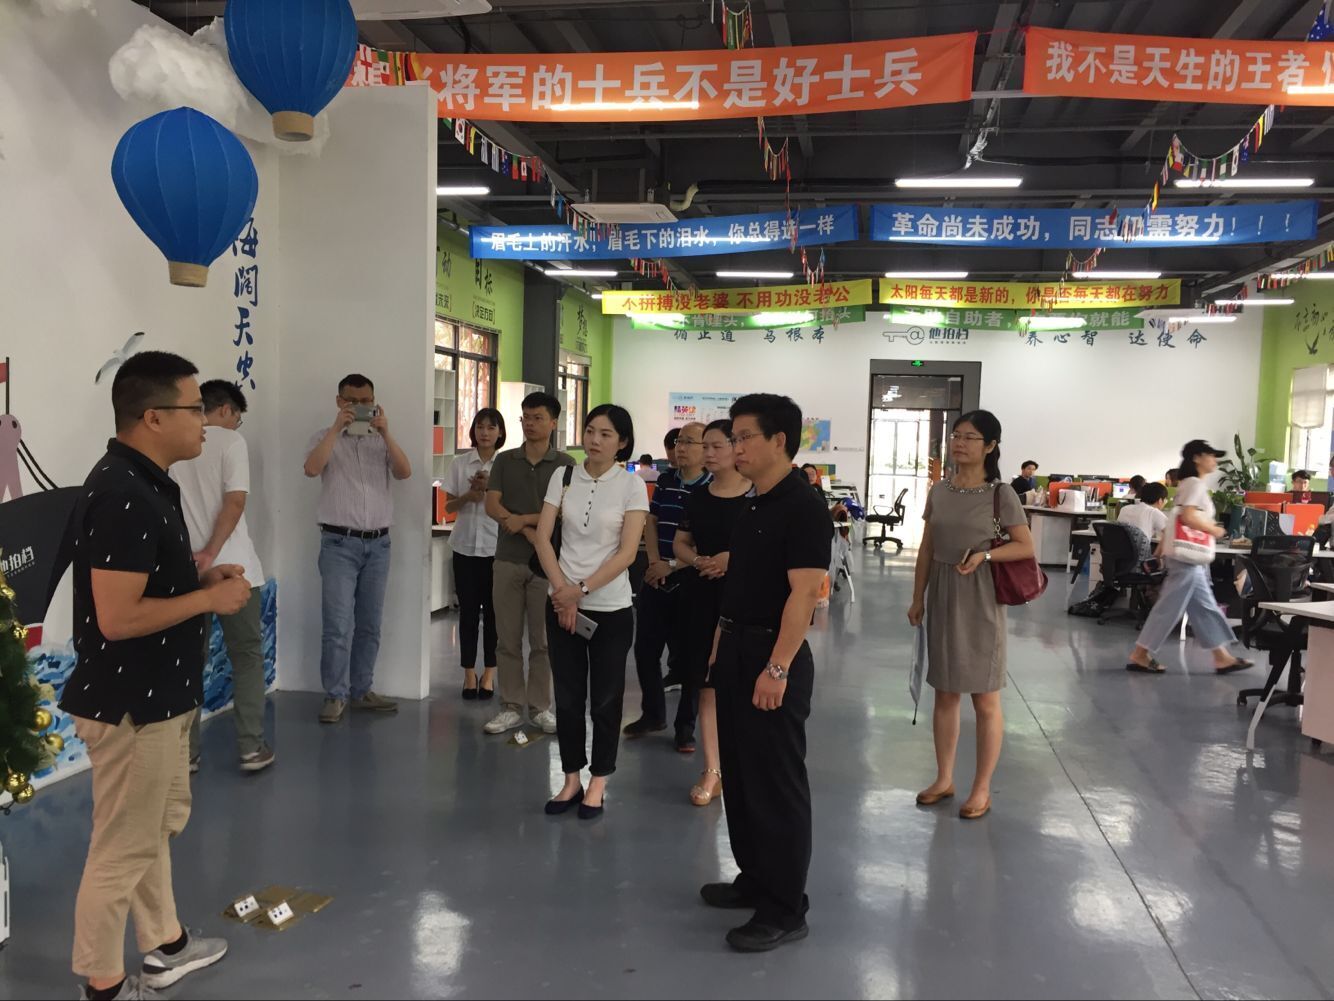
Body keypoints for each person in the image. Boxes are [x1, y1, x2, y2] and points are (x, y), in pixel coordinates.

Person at [62, 351, 249, 1000]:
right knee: (122, 847)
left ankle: (166, 943)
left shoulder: (148, 482)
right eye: (195, 409)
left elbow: (145, 582)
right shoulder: (123, 493)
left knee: (149, 830)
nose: (207, 422)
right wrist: (207, 600)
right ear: (153, 417)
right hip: (131, 706)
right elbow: (117, 618)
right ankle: (104, 985)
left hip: (158, 697)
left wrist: (200, 578)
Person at [698, 394, 830, 954]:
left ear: (779, 441)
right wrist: (718, 649)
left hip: (772, 657)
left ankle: (785, 907)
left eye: (744, 436)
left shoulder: (803, 506)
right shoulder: (754, 504)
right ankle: (754, 878)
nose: (736, 446)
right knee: (742, 775)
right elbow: (739, 588)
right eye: (734, 437)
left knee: (775, 784)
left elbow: (804, 595)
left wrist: (777, 667)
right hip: (735, 648)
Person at [907, 411, 1035, 822]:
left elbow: (1025, 546)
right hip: (943, 591)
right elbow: (927, 547)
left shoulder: (1001, 494)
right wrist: (918, 597)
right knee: (945, 691)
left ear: (990, 446)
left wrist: (985, 556)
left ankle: (981, 788)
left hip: (980, 595)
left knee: (984, 696)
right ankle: (944, 778)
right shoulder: (940, 490)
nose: (959, 443)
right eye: (956, 436)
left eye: (970, 437)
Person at [534, 405, 649, 819]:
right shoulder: (563, 476)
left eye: (606, 434)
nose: (595, 440)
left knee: (605, 699)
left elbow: (627, 553)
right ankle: (570, 779)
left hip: (610, 609)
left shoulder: (632, 485)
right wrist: (562, 593)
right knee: (567, 698)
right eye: (590, 430)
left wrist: (579, 591)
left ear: (622, 442)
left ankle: (598, 780)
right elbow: (543, 538)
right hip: (561, 603)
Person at [170, 380, 273, 774]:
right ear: (226, 410)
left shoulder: (175, 445)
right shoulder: (231, 442)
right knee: (246, 656)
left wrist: (195, 558)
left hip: (186, 570)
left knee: (187, 662)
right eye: (237, 418)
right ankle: (251, 747)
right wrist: (213, 551)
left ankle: (186, 754)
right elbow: (235, 501)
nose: (236, 425)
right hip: (234, 567)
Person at [303, 374, 412, 723]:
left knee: (370, 624)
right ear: (340, 402)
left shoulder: (380, 441)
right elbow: (311, 469)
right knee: (337, 625)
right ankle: (335, 695)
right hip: (338, 543)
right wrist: (337, 429)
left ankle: (362, 689)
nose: (361, 407)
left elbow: (405, 472)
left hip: (378, 544)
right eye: (353, 401)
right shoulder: (324, 437)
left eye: (367, 401)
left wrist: (386, 433)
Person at [483, 392, 574, 735]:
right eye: (526, 417)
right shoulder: (506, 460)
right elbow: (492, 505)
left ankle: (539, 707)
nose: (530, 424)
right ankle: (510, 706)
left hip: (547, 565)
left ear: (553, 422)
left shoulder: (566, 464)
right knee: (506, 639)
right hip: (507, 559)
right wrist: (524, 529)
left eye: (538, 418)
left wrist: (524, 520)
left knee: (543, 641)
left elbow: (564, 509)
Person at [673, 419, 751, 805]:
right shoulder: (698, 497)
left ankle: (746, 767)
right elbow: (681, 543)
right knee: (707, 684)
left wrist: (730, 560)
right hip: (701, 596)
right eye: (705, 446)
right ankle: (712, 769)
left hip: (744, 599)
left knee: (743, 684)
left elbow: (770, 549)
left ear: (736, 448)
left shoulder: (756, 497)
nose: (708, 453)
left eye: (716, 446)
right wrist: (699, 560)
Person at [1126, 440, 1254, 676]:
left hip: (1186, 558)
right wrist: (1215, 530)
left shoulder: (1187, 484)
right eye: (1211, 455)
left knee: (1204, 608)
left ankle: (1222, 658)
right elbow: (1188, 517)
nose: (1215, 460)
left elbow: (1175, 519)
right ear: (1197, 458)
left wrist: (1161, 549)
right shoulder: (1194, 484)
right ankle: (1140, 654)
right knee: (1169, 608)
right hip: (1186, 560)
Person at [625, 421, 711, 742]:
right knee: (645, 650)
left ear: (706, 449)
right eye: (678, 442)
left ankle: (685, 727)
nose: (680, 447)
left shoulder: (711, 489)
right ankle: (653, 715)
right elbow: (651, 521)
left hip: (691, 579)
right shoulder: (665, 480)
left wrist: (672, 566)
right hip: (655, 575)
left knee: (691, 659)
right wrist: (653, 562)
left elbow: (708, 543)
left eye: (689, 442)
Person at [444, 408, 506, 701]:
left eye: (491, 428)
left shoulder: (505, 465)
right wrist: (469, 496)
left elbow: (512, 505)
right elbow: (448, 508)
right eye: (480, 427)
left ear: (500, 433)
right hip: (465, 548)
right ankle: (469, 673)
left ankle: (489, 674)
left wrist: (490, 488)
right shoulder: (459, 464)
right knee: (467, 614)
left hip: (496, 550)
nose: (485, 433)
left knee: (494, 615)